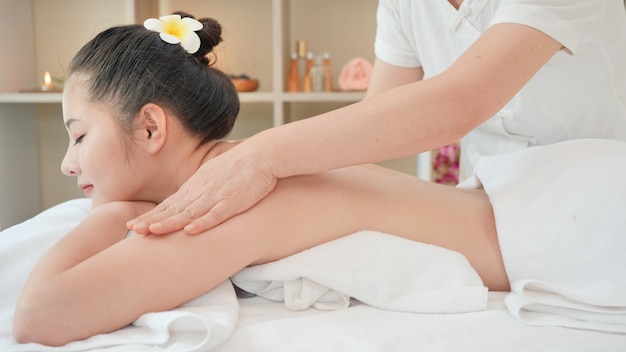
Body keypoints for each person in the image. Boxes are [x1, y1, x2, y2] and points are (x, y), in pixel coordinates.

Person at [12, 13, 512, 346]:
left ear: (150, 127)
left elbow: (41, 316)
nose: (67, 165)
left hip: (543, 232)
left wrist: (119, 214)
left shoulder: (225, 197)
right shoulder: (241, 168)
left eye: (78, 137)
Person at [127, 0, 626, 236]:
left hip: (600, 203)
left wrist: (260, 156)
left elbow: (456, 105)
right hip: (493, 204)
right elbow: (377, 127)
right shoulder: (405, 4)